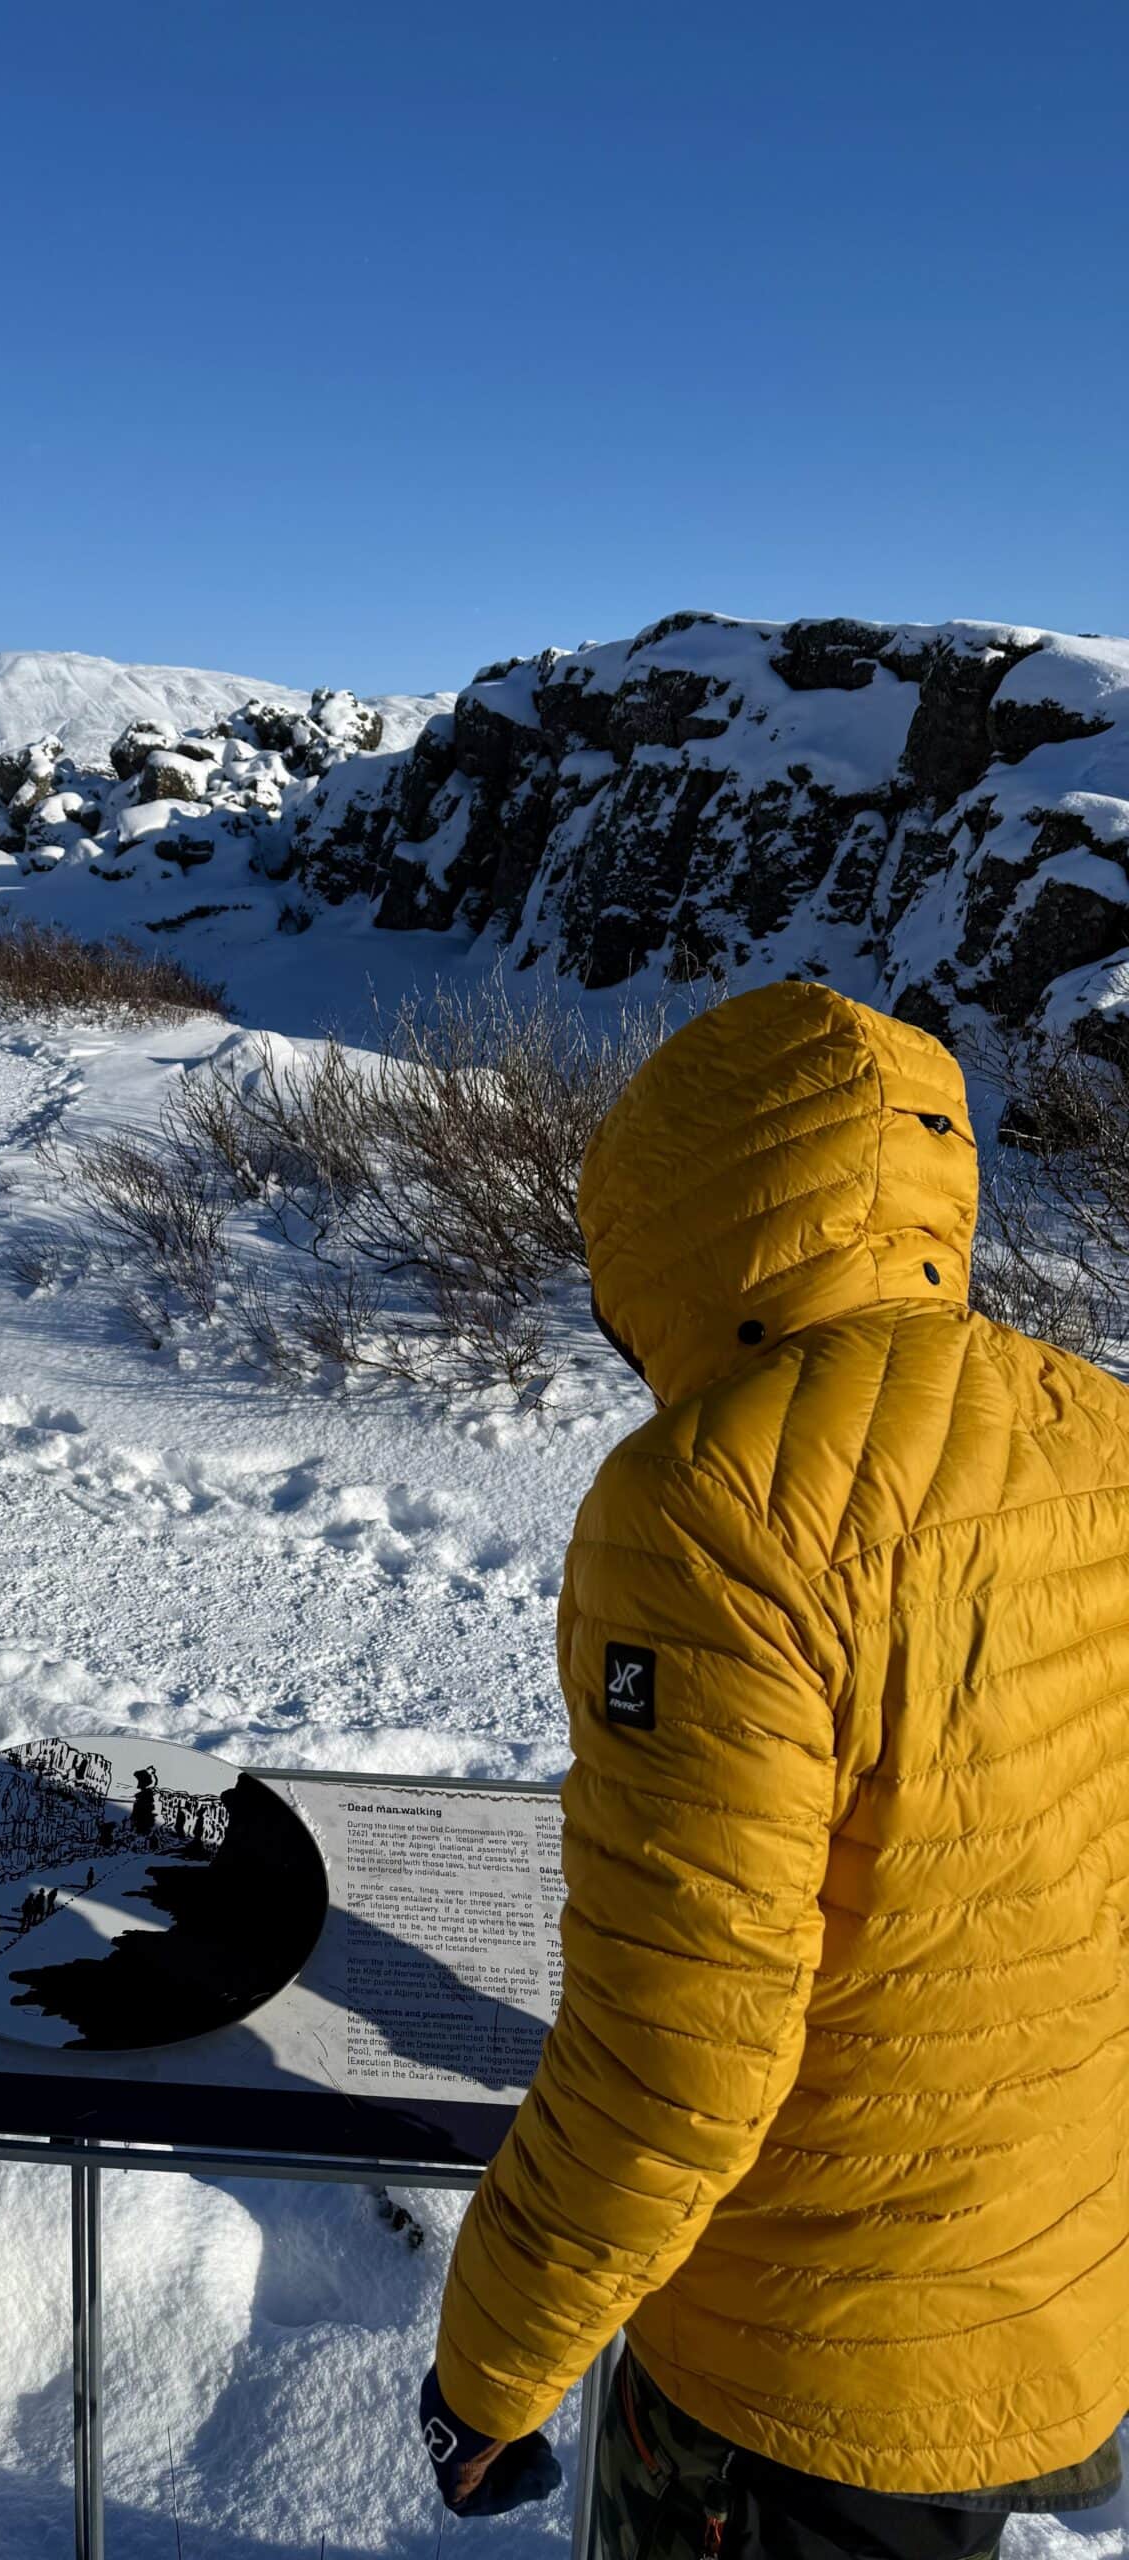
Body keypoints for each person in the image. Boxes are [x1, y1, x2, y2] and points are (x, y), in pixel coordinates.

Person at [420, 982, 1128, 2555]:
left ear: (667, 1222)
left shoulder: (712, 1509)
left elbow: (678, 2061)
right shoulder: (1097, 1431)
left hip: (797, 2373)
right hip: (1048, 2285)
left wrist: (492, 2372)